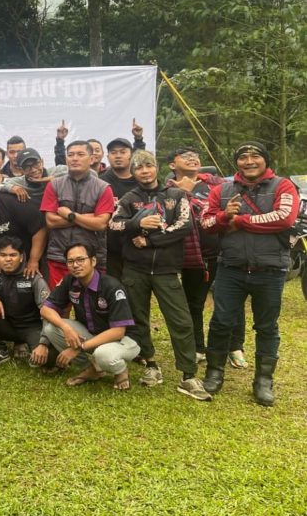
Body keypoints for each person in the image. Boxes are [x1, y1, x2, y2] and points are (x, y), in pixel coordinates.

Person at [201, 142, 300, 406]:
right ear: (237, 162)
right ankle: (214, 373)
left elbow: (284, 218)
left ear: (265, 160)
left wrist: (240, 221)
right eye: (243, 157)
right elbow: (205, 222)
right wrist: (224, 217)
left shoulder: (283, 186)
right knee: (221, 322)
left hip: (270, 269)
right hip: (230, 268)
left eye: (255, 156)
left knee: (267, 326)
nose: (249, 161)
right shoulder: (222, 190)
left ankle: (263, 381)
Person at [109, 151, 210, 400]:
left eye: (149, 166)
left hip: (167, 269)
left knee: (181, 320)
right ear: (133, 172)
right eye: (139, 167)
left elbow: (184, 225)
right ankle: (151, 364)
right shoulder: (129, 198)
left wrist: (151, 240)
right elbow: (113, 224)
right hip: (135, 269)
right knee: (138, 318)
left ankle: (188, 375)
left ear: (157, 168)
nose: (145, 171)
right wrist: (137, 224)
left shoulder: (176, 195)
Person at [37, 241, 140, 390]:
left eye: (80, 260)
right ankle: (92, 369)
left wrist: (79, 348)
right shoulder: (70, 280)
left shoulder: (112, 286)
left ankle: (120, 371)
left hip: (124, 339)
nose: (75, 265)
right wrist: (66, 327)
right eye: (71, 261)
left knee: (103, 354)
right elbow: (45, 310)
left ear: (93, 261)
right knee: (51, 328)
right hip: (94, 334)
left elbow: (118, 331)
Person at [165, 147, 225, 363]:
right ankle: (198, 347)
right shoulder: (167, 190)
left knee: (227, 302)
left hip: (221, 253)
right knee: (195, 303)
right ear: (172, 165)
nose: (192, 159)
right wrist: (185, 193)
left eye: (195, 156)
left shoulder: (216, 185)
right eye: (185, 157)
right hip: (191, 256)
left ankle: (233, 347)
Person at [41, 139, 115, 287]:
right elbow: (51, 221)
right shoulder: (54, 185)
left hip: (92, 258)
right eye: (71, 155)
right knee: (58, 300)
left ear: (92, 159)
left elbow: (101, 224)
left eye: (80, 154)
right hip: (59, 256)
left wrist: (70, 215)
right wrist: (87, 218)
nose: (75, 158)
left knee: (92, 299)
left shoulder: (103, 188)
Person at [0, 236, 50, 368]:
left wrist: (44, 343)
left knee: (47, 360)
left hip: (30, 328)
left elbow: (48, 310)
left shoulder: (32, 276)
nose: (8, 259)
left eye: (13, 255)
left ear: (21, 257)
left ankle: (31, 346)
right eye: (3, 255)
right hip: (4, 324)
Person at [99, 137, 137, 280]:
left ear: (131, 155)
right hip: (110, 248)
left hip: (137, 245)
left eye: (122, 152)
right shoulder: (100, 181)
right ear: (108, 156)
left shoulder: (141, 180)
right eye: (113, 152)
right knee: (113, 287)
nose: (118, 156)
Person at [0, 148, 66, 208]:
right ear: (21, 170)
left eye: (36, 164)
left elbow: (70, 171)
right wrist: (12, 188)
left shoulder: (56, 171)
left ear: (42, 162)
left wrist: (54, 180)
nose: (33, 170)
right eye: (27, 167)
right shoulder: (19, 182)